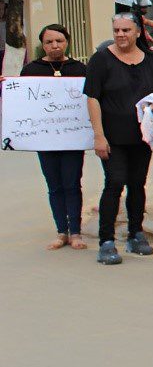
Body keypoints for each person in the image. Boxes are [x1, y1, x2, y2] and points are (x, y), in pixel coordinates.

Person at [85, 14, 153, 265]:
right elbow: (92, 98)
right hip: (112, 137)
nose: (120, 34)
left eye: (126, 30)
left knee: (137, 183)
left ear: (137, 32)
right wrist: (99, 136)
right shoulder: (101, 59)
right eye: (116, 30)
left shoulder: (151, 60)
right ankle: (106, 241)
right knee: (114, 182)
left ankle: (136, 233)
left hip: (142, 136)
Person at [22, 24, 89, 251]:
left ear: (67, 41)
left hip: (72, 138)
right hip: (45, 139)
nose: (54, 45)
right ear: (43, 44)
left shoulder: (79, 69)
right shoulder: (31, 70)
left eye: (59, 41)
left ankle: (76, 232)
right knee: (54, 186)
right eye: (49, 42)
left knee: (72, 184)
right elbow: (22, 102)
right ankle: (61, 231)